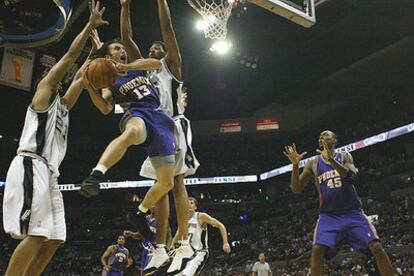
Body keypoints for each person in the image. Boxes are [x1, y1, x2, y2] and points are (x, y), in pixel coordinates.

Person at [1, 2, 108, 275]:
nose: (61, 76)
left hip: (50, 174)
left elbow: (82, 75)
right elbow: (70, 58)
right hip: (31, 164)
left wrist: (94, 54)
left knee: (54, 239)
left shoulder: (62, 105)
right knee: (35, 236)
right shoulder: (43, 93)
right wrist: (89, 26)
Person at [118, 0, 199, 273]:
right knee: (160, 184)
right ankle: (162, 248)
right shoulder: (143, 70)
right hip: (156, 126)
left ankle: (185, 240)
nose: (154, 50)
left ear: (166, 52)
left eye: (158, 49)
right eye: (151, 49)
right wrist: (125, 7)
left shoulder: (172, 67)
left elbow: (167, 28)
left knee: (175, 183)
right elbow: (127, 38)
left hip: (174, 124)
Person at [283, 130, 395, 276]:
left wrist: (332, 160)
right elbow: (296, 189)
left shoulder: (345, 156)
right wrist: (295, 166)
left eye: (326, 134)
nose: (322, 136)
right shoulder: (313, 163)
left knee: (377, 247)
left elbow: (350, 175)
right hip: (329, 216)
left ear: (334, 140)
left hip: (352, 212)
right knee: (317, 250)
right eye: (320, 135)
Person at [172, 197, 231, 276]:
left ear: (195, 207)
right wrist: (171, 247)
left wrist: (225, 242)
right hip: (186, 253)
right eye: (187, 203)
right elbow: (177, 236)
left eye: (191, 203)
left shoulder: (200, 216)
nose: (189, 204)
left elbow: (221, 225)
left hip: (199, 253)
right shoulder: (183, 220)